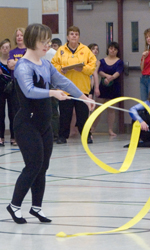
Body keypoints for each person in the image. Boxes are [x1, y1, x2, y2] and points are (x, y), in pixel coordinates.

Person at [6, 23, 95, 224]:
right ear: (31, 41)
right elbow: (29, 90)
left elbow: (63, 82)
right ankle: (14, 205)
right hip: (26, 124)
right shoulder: (23, 66)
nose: (47, 45)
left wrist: (84, 97)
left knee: (43, 166)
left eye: (48, 41)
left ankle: (36, 207)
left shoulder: (45, 65)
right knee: (33, 164)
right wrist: (51, 92)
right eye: (43, 41)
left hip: (44, 124)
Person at [51, 26, 96, 144]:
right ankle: (62, 136)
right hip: (65, 89)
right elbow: (53, 65)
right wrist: (61, 69)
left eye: (76, 34)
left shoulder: (86, 50)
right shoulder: (61, 50)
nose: (74, 36)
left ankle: (86, 136)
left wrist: (81, 68)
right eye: (71, 34)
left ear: (79, 37)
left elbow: (92, 67)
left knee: (83, 115)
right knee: (65, 115)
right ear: (67, 36)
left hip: (81, 88)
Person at [91, 42, 124, 136]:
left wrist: (111, 78)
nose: (112, 50)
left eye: (115, 49)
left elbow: (119, 71)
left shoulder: (119, 61)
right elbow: (99, 71)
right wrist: (106, 76)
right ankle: (92, 128)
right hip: (103, 86)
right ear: (108, 49)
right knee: (98, 108)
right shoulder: (102, 61)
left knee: (111, 109)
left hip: (114, 86)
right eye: (111, 48)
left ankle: (110, 129)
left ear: (117, 51)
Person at [8, 27, 27, 146]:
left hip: (26, 83)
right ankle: (15, 136)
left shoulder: (29, 50)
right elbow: (10, 66)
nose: (19, 37)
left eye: (21, 35)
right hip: (15, 84)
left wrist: (17, 63)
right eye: (17, 36)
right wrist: (20, 62)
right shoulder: (12, 52)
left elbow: (27, 65)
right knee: (15, 111)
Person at [0, 39, 14, 146]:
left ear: (10, 49)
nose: (5, 49)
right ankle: (1, 137)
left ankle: (14, 137)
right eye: (3, 47)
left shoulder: (12, 62)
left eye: (7, 47)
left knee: (12, 113)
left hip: (12, 90)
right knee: (1, 114)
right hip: (0, 90)